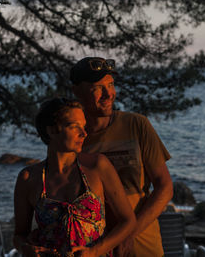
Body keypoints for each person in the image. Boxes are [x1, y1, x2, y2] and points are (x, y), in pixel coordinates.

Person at [70, 57, 173, 257]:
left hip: (144, 249)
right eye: (98, 88)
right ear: (77, 92)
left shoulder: (137, 125)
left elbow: (165, 187)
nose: (108, 94)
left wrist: (127, 235)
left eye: (111, 85)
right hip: (93, 250)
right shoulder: (73, 138)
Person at [13, 97, 136, 257]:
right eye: (74, 127)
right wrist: (25, 248)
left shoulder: (97, 166)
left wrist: (94, 251)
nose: (84, 133)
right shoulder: (28, 178)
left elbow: (128, 221)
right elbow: (19, 235)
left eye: (84, 126)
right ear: (52, 131)